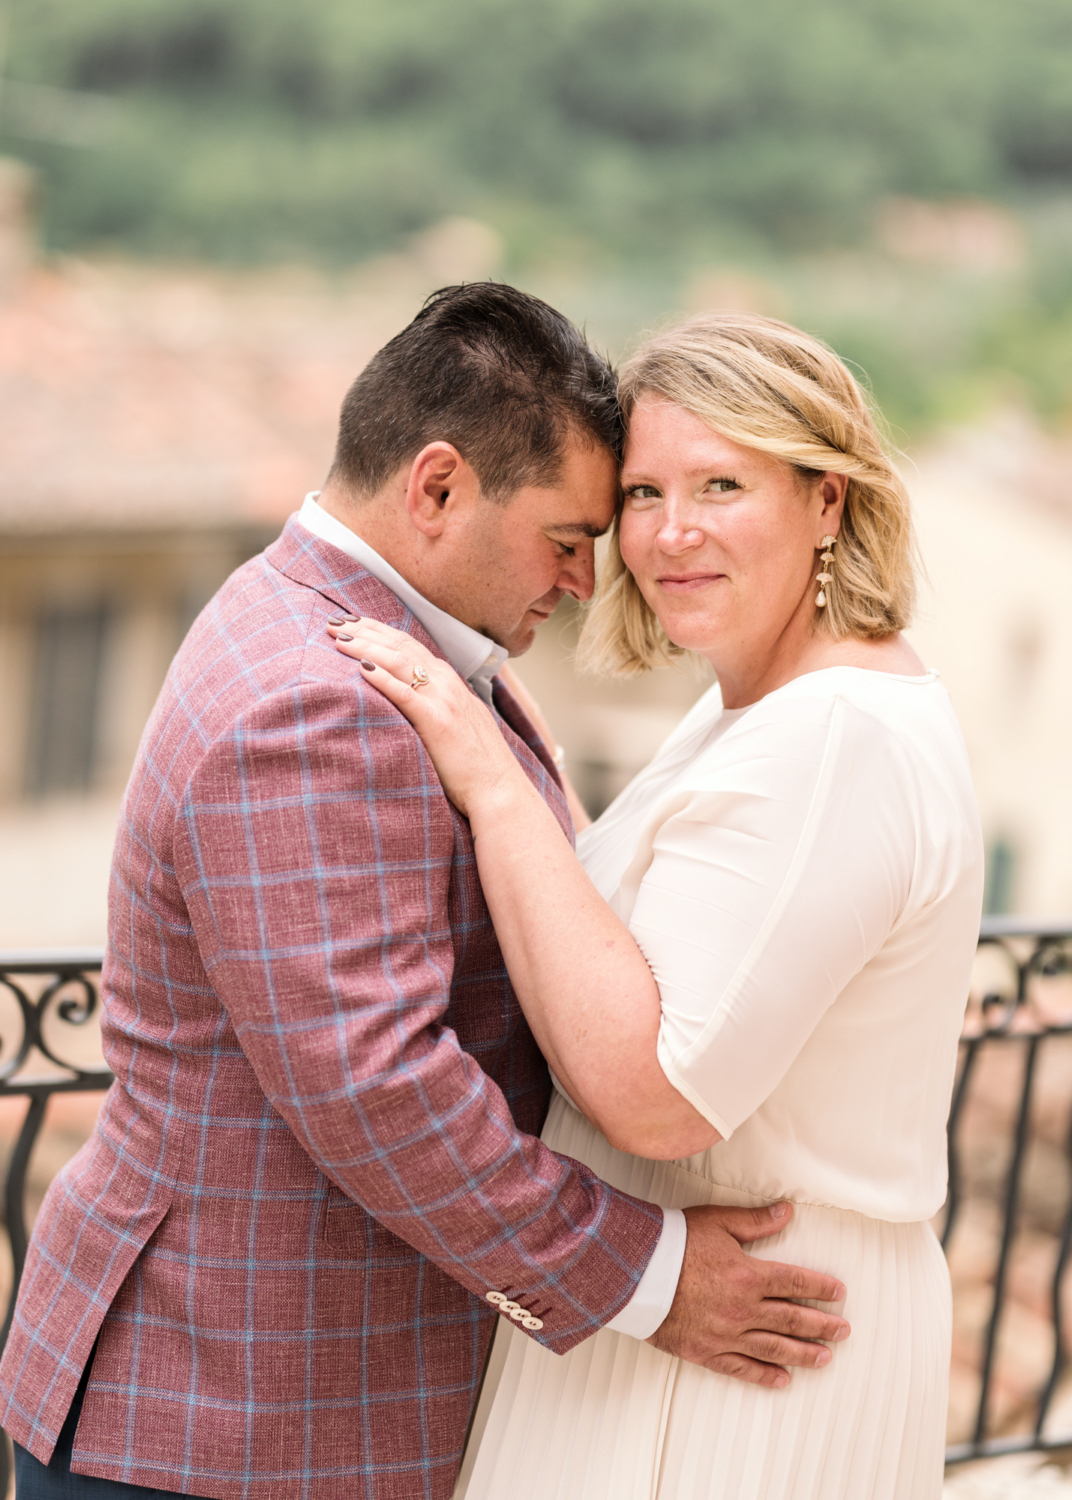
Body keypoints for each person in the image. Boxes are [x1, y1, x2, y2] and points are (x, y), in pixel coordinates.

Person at [0, 287, 848, 1500]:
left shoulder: (383, 644)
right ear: (438, 487)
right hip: (222, 1421)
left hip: (283, 1408)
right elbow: (377, 1082)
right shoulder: (315, 703)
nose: (583, 581)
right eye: (565, 537)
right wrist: (649, 1279)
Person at [330, 310, 986, 1500]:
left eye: (721, 485)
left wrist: (491, 783)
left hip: (750, 1336)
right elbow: (666, 932)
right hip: (692, 1322)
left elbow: (653, 1090)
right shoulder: (760, 705)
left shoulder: (830, 738)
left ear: (826, 501)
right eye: (642, 494)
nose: (669, 532)